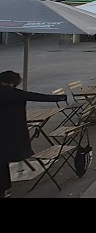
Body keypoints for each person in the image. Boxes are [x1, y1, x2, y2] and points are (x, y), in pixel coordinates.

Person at [0, 70, 67, 198]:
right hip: (14, 132)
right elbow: (36, 96)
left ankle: (3, 189)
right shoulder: (14, 93)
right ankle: (4, 189)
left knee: (1, 161)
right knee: (4, 159)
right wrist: (61, 97)